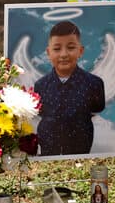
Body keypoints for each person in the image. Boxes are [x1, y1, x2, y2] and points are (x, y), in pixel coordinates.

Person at [33, 20, 106, 156]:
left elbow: (97, 107)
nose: (64, 54)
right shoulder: (40, 85)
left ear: (80, 51)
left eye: (71, 47)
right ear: (48, 53)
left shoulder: (94, 83)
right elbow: (40, 112)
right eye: (57, 49)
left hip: (81, 145)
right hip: (48, 147)